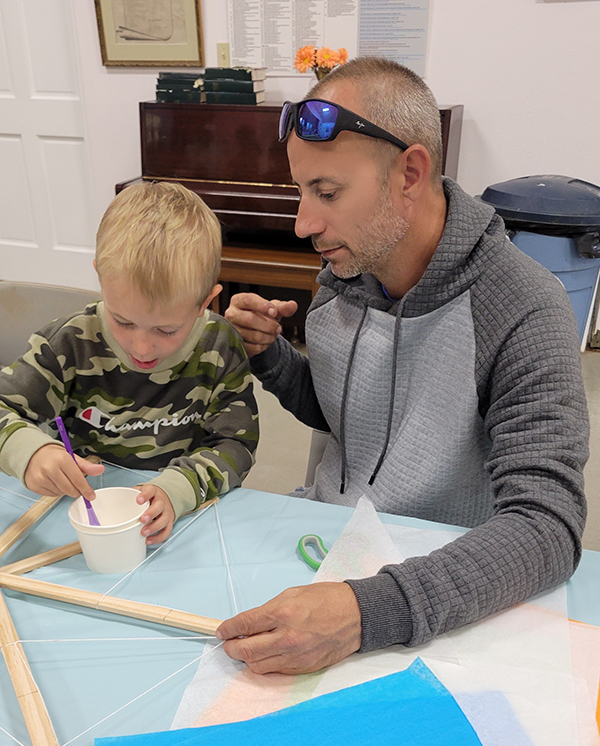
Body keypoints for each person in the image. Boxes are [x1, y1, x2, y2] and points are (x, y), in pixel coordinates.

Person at [216, 57, 589, 674]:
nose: (303, 223)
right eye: (301, 190)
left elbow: (547, 528)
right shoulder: (347, 268)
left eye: (327, 193)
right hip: (326, 551)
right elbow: (349, 419)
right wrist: (273, 357)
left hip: (438, 596)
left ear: (410, 173)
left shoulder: (524, 307)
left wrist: (365, 612)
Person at [0, 181, 258, 543]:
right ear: (101, 280)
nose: (142, 347)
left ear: (206, 302)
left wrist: (178, 489)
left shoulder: (219, 345)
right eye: (123, 321)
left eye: (166, 330)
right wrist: (30, 452)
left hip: (182, 523)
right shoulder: (69, 344)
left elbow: (235, 445)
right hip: (80, 518)